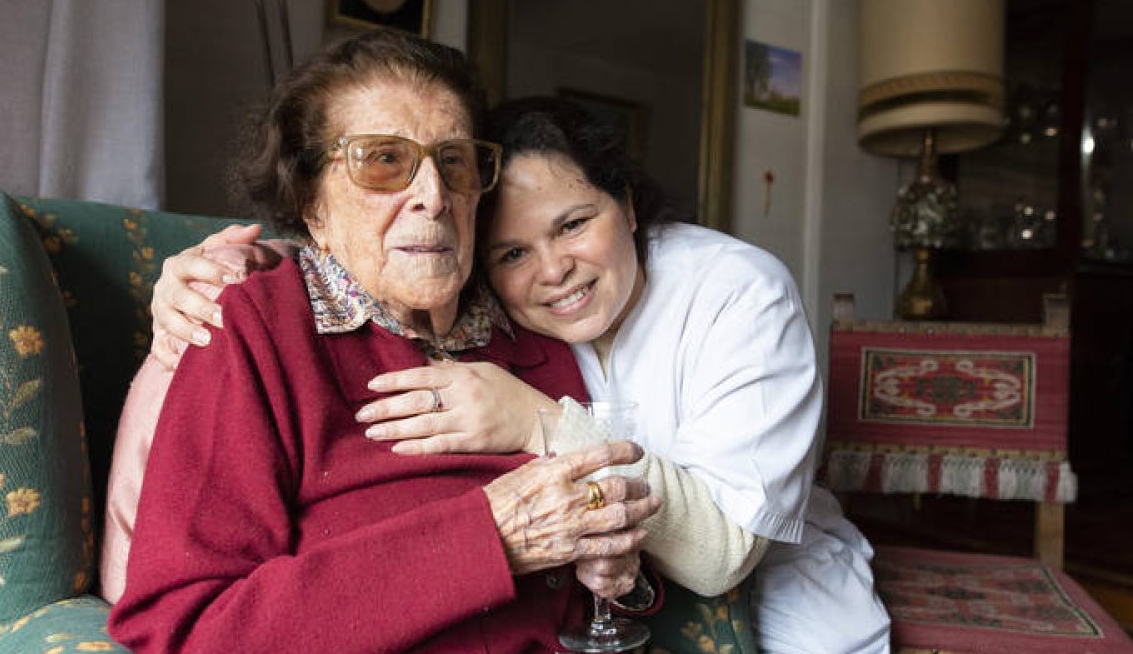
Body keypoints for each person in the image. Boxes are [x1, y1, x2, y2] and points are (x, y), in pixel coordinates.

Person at [136, 96, 893, 652]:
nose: (554, 269)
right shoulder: (487, 308)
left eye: (573, 224)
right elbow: (387, 244)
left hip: (781, 590)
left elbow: (720, 553)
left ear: (627, 206)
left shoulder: (740, 294)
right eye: (513, 252)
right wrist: (210, 268)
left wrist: (536, 419)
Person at [107, 32, 663, 653]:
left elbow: (600, 566)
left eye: (453, 162)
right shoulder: (257, 332)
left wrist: (621, 581)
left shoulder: (530, 326)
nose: (433, 195)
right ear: (311, 201)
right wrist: (491, 539)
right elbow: (186, 628)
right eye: (383, 161)